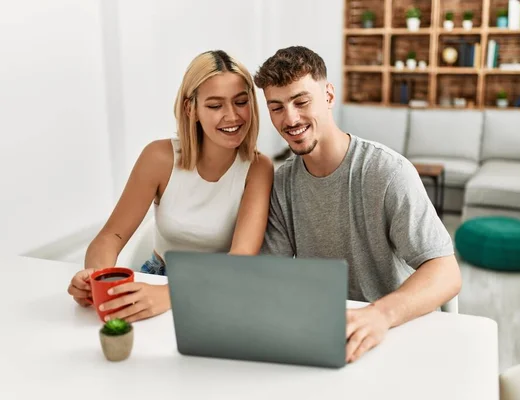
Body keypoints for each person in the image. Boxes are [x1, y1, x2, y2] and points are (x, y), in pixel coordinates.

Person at [254, 46, 461, 363]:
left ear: (328, 95)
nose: (290, 118)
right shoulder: (282, 184)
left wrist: (380, 314)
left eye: (301, 101)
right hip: (327, 334)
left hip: (394, 331)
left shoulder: (387, 172)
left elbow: (447, 273)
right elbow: (272, 275)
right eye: (276, 107)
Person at [67, 50, 274, 323]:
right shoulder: (159, 158)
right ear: (191, 109)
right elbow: (111, 237)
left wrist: (171, 294)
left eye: (241, 102)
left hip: (220, 285)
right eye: (215, 106)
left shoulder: (258, 169)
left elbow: (240, 259)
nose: (232, 116)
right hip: (157, 277)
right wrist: (96, 277)